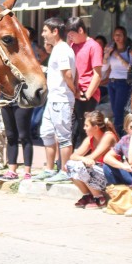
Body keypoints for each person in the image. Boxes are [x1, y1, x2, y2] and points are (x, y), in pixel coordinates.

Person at [39, 18, 78, 183]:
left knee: (63, 136)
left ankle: (65, 170)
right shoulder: (57, 49)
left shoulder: (62, 49)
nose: (43, 34)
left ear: (55, 32)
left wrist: (73, 91)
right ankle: (49, 169)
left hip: (61, 98)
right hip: (53, 98)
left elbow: (67, 74)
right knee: (46, 133)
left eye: (46, 31)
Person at [67, 111, 120, 210]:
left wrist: (84, 160)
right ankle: (88, 195)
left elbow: (93, 158)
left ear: (96, 127)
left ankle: (99, 198)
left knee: (82, 166)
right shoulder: (90, 139)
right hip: (99, 172)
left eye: (86, 125)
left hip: (112, 173)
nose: (84, 128)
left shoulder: (108, 136)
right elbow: (73, 156)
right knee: (70, 165)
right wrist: (83, 158)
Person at [65, 16, 103, 150]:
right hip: (74, 92)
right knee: (72, 129)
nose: (70, 38)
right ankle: (69, 161)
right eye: (68, 35)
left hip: (86, 93)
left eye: (72, 34)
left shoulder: (94, 46)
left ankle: (85, 159)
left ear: (80, 30)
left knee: (85, 129)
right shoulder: (72, 45)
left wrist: (87, 94)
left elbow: (97, 74)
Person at [102, 26, 132, 133]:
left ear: (124, 37)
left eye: (120, 35)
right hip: (112, 82)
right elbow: (104, 68)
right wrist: (106, 54)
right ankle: (118, 135)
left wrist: (118, 55)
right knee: (115, 111)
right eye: (115, 35)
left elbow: (130, 68)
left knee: (119, 112)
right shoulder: (111, 51)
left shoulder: (129, 51)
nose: (117, 37)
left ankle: (118, 135)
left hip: (123, 82)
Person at [0, 102, 35, 181]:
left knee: (24, 136)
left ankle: (27, 172)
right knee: (10, 136)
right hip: (6, 101)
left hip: (22, 101)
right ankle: (12, 171)